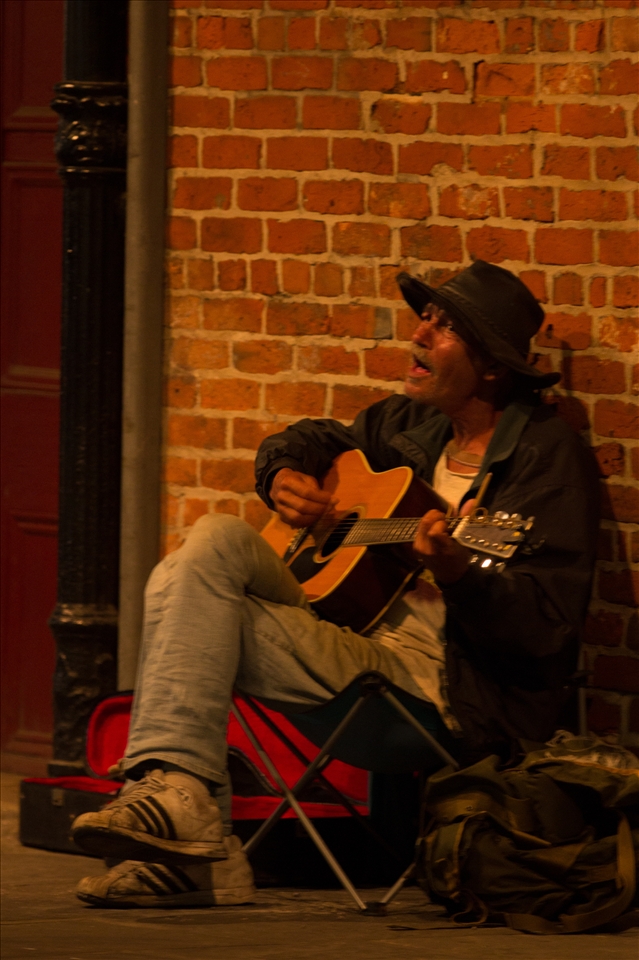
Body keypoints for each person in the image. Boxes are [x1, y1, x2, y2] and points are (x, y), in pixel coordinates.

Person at [71, 260, 599, 908]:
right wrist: (283, 473)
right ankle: (183, 809)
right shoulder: (407, 426)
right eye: (424, 318)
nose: (417, 335)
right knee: (211, 540)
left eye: (443, 328)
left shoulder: (545, 459)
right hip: (347, 643)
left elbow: (544, 629)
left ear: (491, 366)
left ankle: (191, 839)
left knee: (185, 596)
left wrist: (459, 574)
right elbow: (312, 439)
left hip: (438, 689)